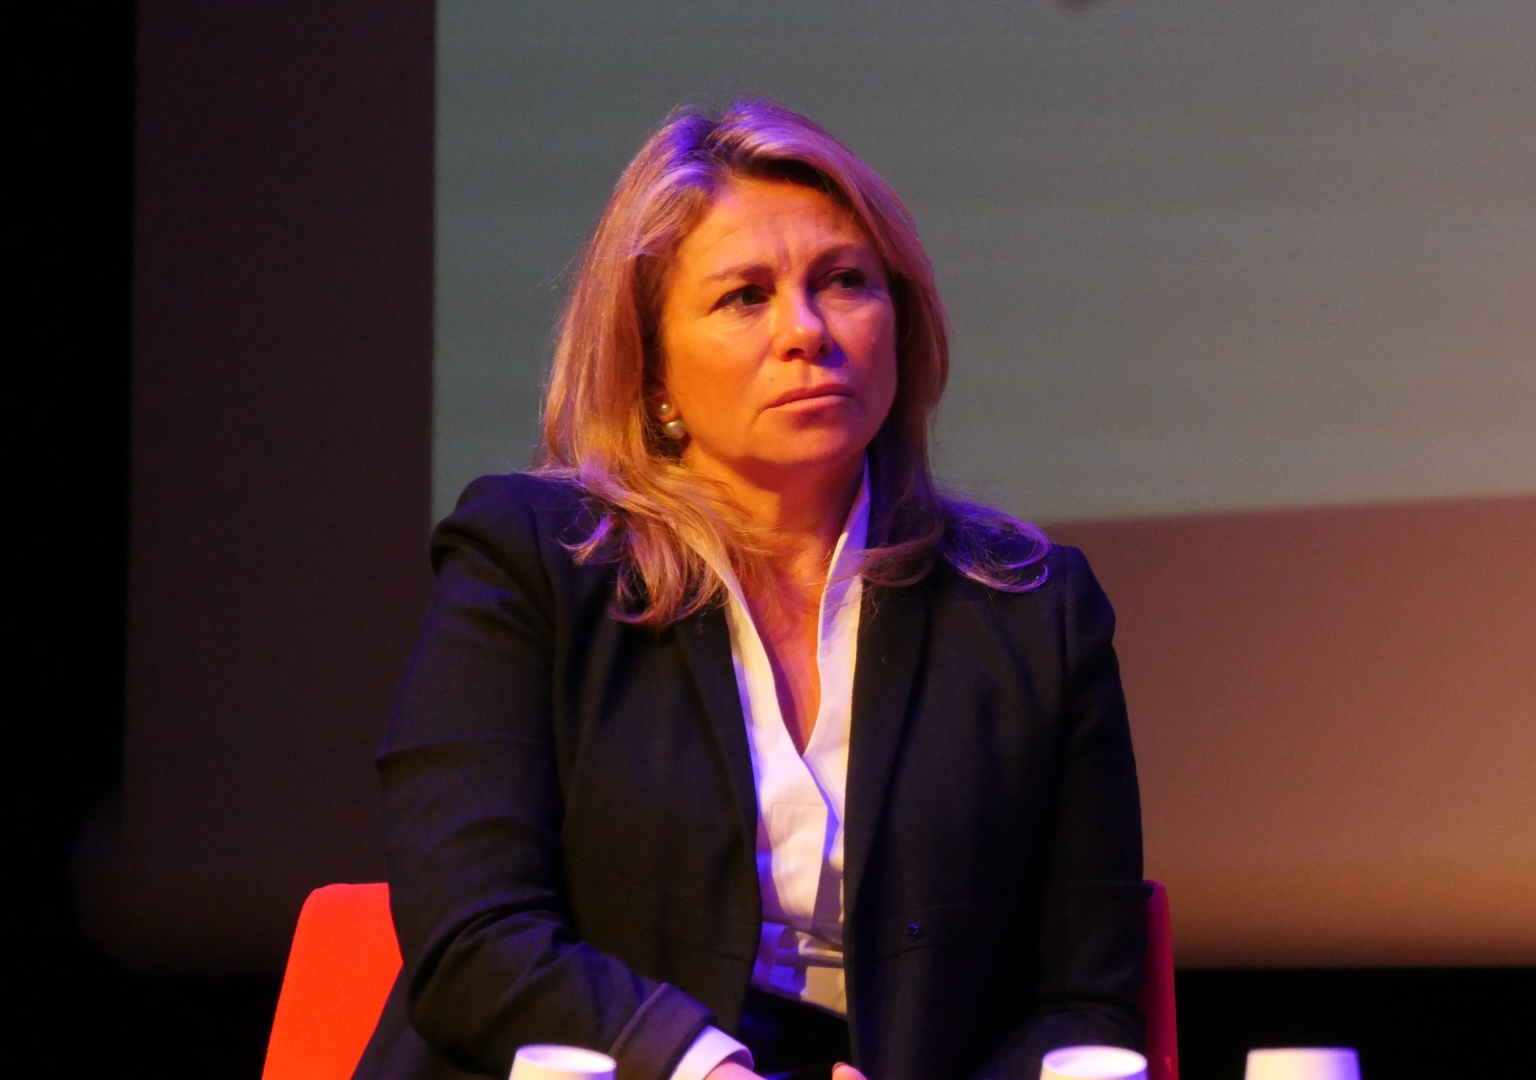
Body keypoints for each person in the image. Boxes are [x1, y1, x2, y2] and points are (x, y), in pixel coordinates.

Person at [353, 100, 1147, 1080]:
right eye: (745, 297)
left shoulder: (1034, 610)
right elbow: (474, 936)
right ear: (652, 371)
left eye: (844, 282)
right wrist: (705, 1069)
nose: (807, 331)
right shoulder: (531, 560)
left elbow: (1082, 1003)